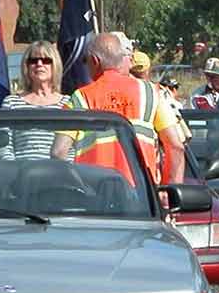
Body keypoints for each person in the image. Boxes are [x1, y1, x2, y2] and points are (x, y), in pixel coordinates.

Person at [52, 33, 185, 186]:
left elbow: (58, 153)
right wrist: (169, 190)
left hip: (95, 193)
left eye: (85, 61)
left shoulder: (80, 98)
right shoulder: (150, 92)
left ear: (94, 61)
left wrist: (79, 186)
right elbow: (176, 146)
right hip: (141, 193)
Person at [2, 41, 70, 160]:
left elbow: (72, 148)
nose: (39, 64)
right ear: (26, 66)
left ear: (55, 65)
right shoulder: (11, 103)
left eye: (46, 60)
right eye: (33, 61)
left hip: (59, 170)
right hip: (21, 170)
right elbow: (4, 147)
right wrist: (13, 169)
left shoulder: (68, 104)